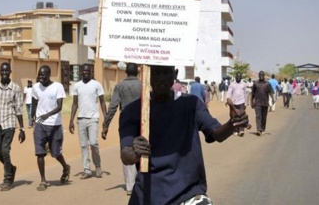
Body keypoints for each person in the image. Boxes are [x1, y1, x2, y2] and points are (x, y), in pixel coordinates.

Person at [119, 65, 249, 205]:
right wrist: (134, 151)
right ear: (148, 75)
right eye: (156, 73)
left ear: (174, 74)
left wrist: (232, 124)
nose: (161, 78)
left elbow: (216, 134)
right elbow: (126, 156)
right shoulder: (133, 111)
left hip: (188, 194)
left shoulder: (191, 104)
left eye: (166, 72)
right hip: (148, 195)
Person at [101, 63, 141, 195]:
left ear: (126, 72)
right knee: (143, 148)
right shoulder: (143, 85)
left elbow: (113, 106)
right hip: (143, 120)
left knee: (127, 149)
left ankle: (130, 186)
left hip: (126, 122)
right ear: (137, 71)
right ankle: (142, 181)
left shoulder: (120, 86)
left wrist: (106, 125)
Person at [0, 62, 25, 192]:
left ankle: (7, 179)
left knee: (5, 151)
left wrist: (22, 129)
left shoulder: (15, 88)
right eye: (2, 71)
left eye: (7, 71)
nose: (4, 73)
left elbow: (18, 110)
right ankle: (11, 168)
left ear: (10, 72)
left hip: (9, 124)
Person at [31, 65, 71, 191]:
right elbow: (34, 103)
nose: (41, 77)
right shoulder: (35, 87)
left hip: (55, 125)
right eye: (39, 74)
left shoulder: (57, 87)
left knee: (55, 153)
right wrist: (32, 117)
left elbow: (59, 107)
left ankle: (65, 167)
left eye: (43, 75)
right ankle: (43, 180)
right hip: (40, 125)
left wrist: (47, 115)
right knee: (40, 153)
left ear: (49, 75)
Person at [69, 64, 107, 179]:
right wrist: (71, 120)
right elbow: (75, 103)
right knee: (84, 145)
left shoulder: (96, 85)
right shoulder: (77, 86)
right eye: (84, 71)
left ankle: (98, 165)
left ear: (91, 72)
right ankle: (87, 169)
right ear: (81, 72)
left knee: (94, 143)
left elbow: (102, 102)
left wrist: (106, 118)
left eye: (88, 71)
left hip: (93, 118)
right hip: (81, 119)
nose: (85, 72)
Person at [251, 71, 275, 136]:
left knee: (264, 117)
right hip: (257, 103)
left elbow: (271, 92)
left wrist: (273, 99)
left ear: (264, 75)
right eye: (260, 75)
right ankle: (258, 129)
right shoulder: (255, 83)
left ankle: (263, 129)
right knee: (258, 116)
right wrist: (251, 102)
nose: (261, 76)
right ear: (258, 75)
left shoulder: (267, 84)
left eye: (262, 75)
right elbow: (252, 94)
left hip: (265, 103)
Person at [226, 72, 247, 136]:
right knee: (234, 117)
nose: (238, 78)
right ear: (235, 77)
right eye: (237, 77)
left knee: (242, 116)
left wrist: (245, 103)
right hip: (234, 103)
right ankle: (235, 130)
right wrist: (228, 100)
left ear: (241, 77)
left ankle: (241, 130)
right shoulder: (232, 84)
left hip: (241, 102)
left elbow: (245, 94)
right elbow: (229, 93)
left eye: (239, 77)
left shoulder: (243, 84)